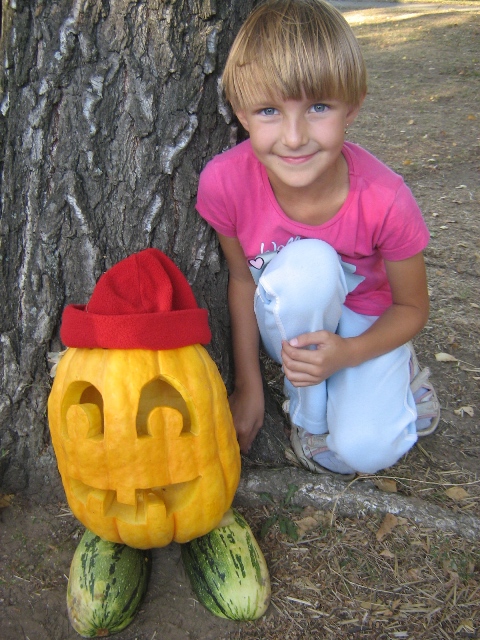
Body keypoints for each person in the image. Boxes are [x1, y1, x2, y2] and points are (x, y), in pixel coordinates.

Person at [196, 0, 440, 477]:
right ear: (242, 114)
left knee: (366, 452)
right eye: (269, 110)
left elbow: (412, 307)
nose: (293, 137)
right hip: (289, 316)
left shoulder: (386, 198)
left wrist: (349, 354)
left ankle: (403, 378)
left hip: (365, 324)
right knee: (310, 266)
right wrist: (249, 386)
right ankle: (309, 421)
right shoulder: (224, 183)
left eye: (318, 107)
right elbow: (242, 281)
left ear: (353, 106)